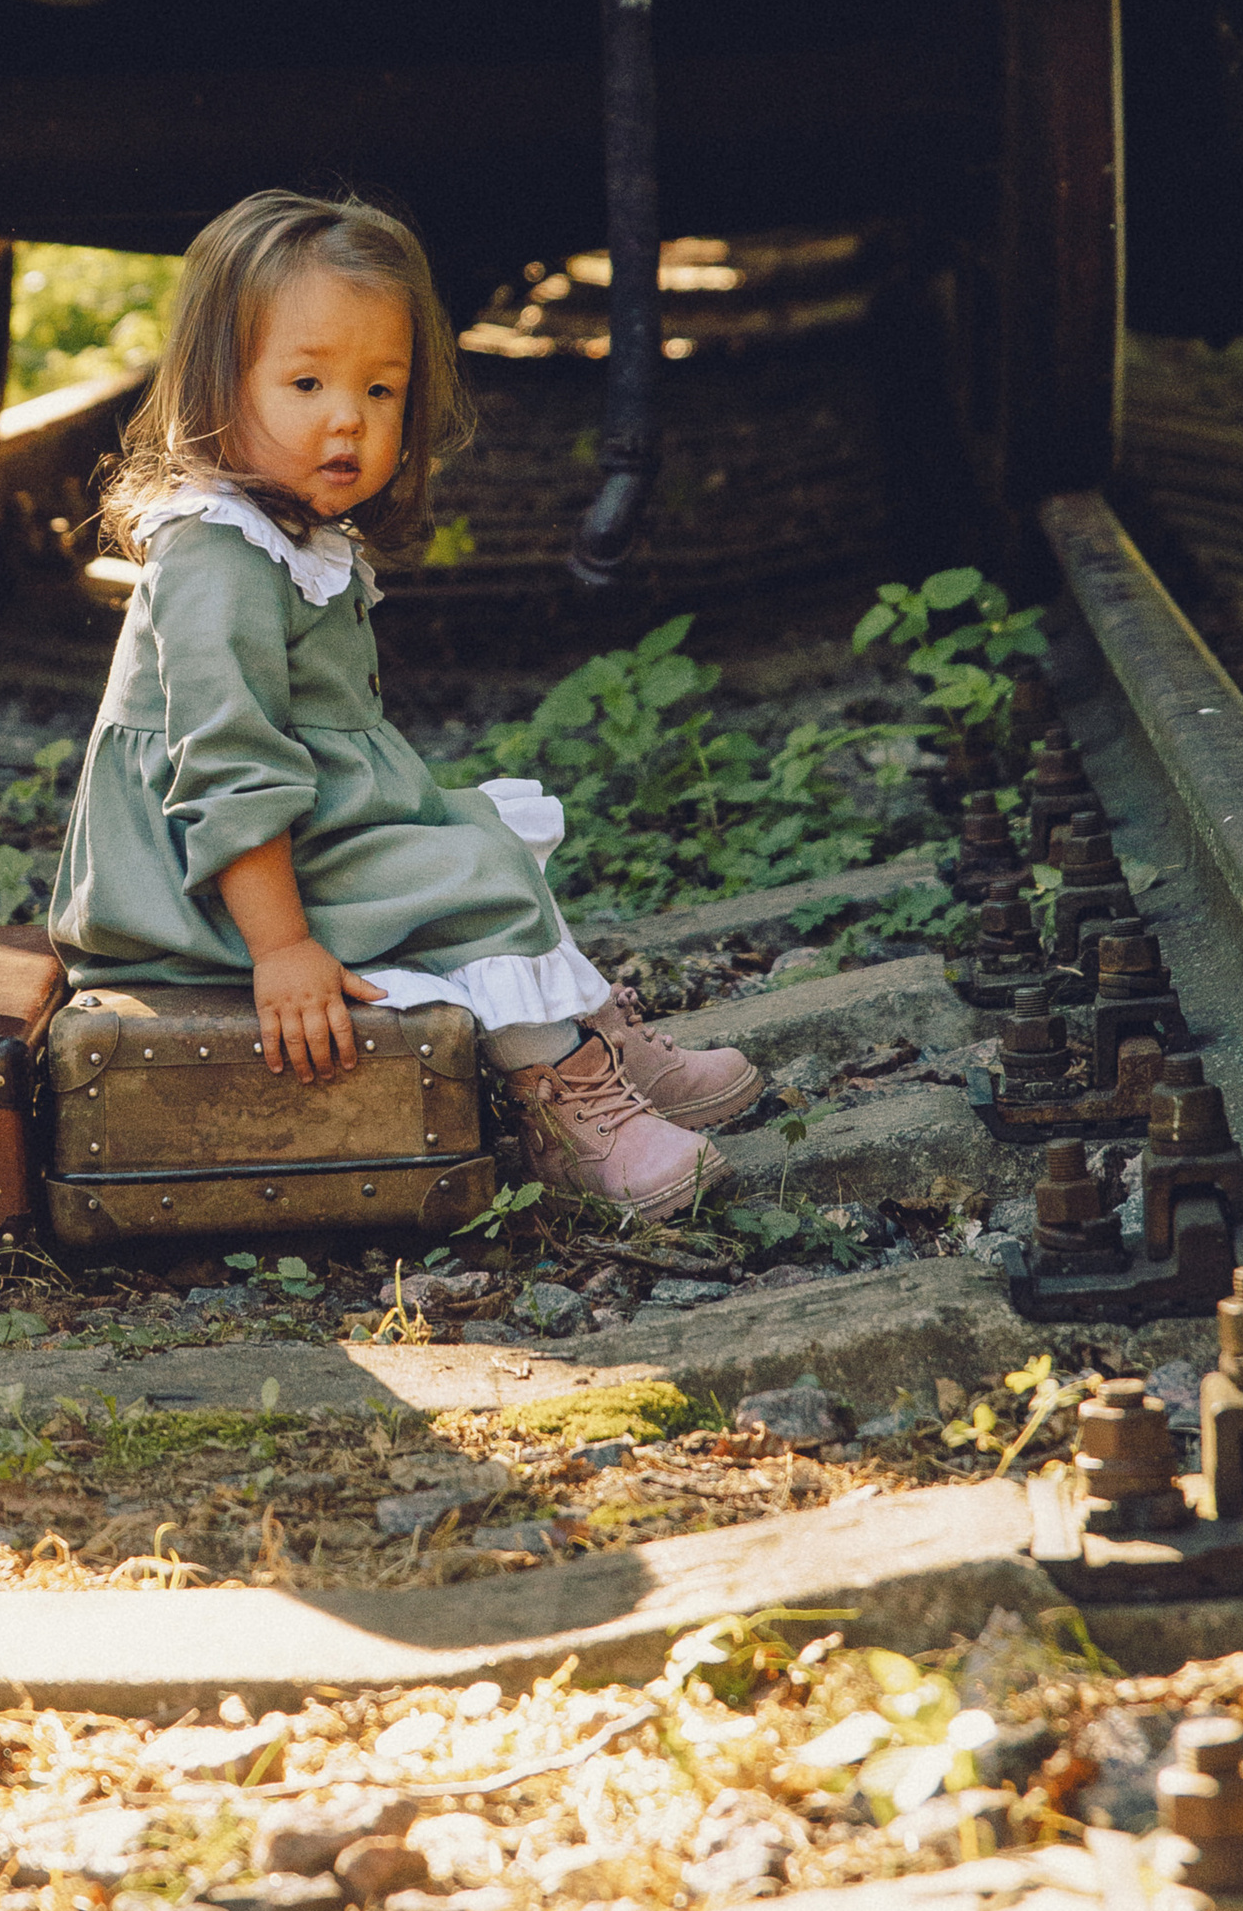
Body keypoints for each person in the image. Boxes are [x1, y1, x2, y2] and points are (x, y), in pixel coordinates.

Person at [48, 188, 760, 1214]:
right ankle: (569, 1106)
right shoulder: (216, 556)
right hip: (196, 892)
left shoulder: (280, 532)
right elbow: (227, 767)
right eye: (306, 382)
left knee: (480, 833)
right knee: (470, 875)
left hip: (290, 842)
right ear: (216, 386)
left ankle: (589, 1033)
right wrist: (282, 949)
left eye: (380, 390)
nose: (348, 417)